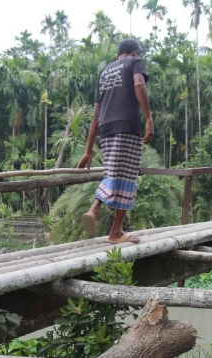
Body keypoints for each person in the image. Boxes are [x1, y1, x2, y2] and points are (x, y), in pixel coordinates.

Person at [77, 38, 154, 244]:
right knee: (127, 177)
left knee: (114, 171)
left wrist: (88, 150)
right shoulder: (134, 63)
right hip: (126, 126)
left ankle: (111, 226)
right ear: (135, 53)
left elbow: (96, 114)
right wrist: (148, 119)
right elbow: (139, 83)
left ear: (117, 55)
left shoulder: (104, 74)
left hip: (106, 130)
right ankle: (106, 222)